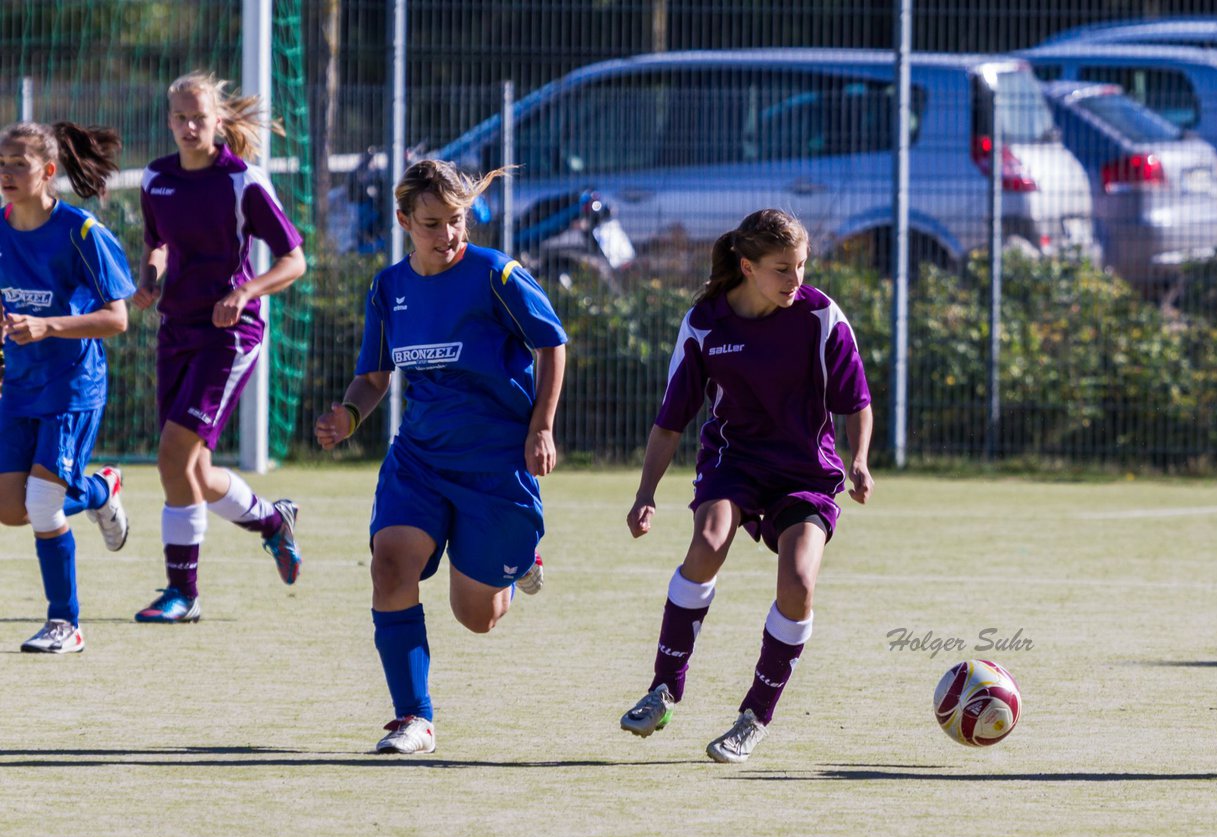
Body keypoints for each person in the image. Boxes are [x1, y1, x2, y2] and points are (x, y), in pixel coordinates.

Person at [314, 159, 567, 754]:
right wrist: (348, 415)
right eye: (432, 223)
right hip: (420, 460)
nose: (448, 235)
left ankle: (519, 557)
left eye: (457, 221)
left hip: (494, 466)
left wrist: (543, 426)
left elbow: (551, 343)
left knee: (476, 618)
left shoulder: (495, 274)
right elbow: (373, 376)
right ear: (404, 220)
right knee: (390, 566)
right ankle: (413, 718)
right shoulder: (388, 287)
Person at [620, 208, 875, 763]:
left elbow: (857, 401)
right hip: (734, 463)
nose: (796, 280)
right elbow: (671, 420)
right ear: (748, 266)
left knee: (800, 580)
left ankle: (755, 715)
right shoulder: (707, 323)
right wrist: (646, 494)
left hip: (806, 472)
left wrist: (859, 460)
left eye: (802, 266)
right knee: (708, 544)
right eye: (782, 269)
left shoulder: (820, 317)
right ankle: (664, 688)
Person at [131, 70, 307, 623]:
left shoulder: (242, 181)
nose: (188, 126)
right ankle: (272, 522)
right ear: (168, 120)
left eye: (198, 118)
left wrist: (245, 291)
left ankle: (182, 593)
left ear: (217, 121)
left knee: (171, 458)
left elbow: (293, 260)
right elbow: (157, 242)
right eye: (179, 117)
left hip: (229, 337)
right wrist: (149, 279)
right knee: (196, 474)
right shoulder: (156, 179)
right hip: (175, 329)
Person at [0, 120, 136, 653]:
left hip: (72, 385)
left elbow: (117, 318)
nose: (6, 173)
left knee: (41, 504)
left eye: (19, 164)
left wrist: (50, 325)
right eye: (2, 163)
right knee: (12, 508)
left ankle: (65, 623)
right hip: (21, 385)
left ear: (48, 172)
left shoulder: (81, 232)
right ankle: (101, 488)